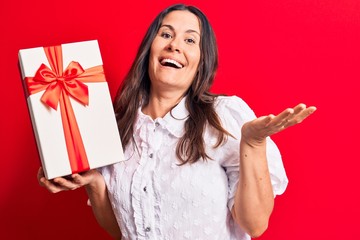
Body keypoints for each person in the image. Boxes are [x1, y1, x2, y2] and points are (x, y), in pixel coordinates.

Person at [37, 4, 316, 240]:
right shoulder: (115, 124)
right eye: (166, 34)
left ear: (201, 61)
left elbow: (254, 225)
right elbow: (120, 228)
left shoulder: (223, 116)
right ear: (150, 49)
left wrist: (253, 143)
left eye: (190, 40)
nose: (175, 45)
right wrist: (94, 183)